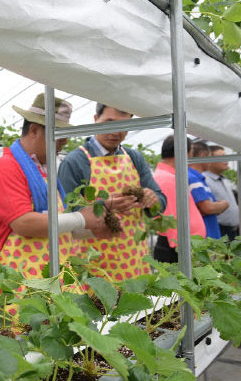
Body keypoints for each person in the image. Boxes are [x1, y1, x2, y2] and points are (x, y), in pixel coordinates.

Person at [0, 93, 114, 293]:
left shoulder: (46, 171)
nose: (63, 143)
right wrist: (80, 218)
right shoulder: (6, 167)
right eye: (58, 137)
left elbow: (58, 225)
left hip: (57, 276)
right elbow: (23, 222)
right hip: (25, 282)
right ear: (35, 130)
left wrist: (93, 227)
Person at [58, 104, 166, 281]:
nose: (116, 132)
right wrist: (104, 206)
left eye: (124, 126)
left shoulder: (134, 158)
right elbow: (66, 217)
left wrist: (153, 200)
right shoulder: (76, 161)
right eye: (109, 122)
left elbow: (160, 201)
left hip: (133, 259)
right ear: (95, 120)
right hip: (93, 262)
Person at [152, 135, 206, 263]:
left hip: (177, 247)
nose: (190, 158)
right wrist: (182, 251)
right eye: (191, 153)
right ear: (182, 152)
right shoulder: (167, 179)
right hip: (175, 250)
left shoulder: (170, 176)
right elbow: (171, 218)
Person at [203, 145, 241, 240]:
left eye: (226, 156)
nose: (226, 160)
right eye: (221, 157)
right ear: (209, 159)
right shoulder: (205, 180)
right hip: (219, 231)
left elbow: (228, 207)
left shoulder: (224, 180)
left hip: (231, 231)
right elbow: (206, 207)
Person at [187, 141, 227, 239]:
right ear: (202, 155)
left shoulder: (199, 178)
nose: (210, 161)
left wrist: (215, 207)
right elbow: (208, 208)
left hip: (209, 236)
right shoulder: (192, 178)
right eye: (209, 156)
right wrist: (224, 204)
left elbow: (209, 207)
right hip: (204, 238)